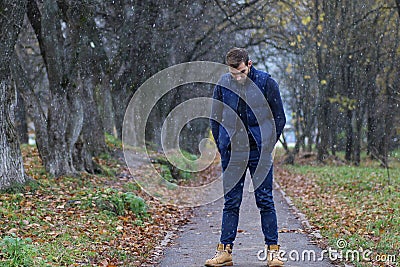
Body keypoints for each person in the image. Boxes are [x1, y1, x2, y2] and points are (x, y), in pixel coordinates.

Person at [206, 47, 286, 267]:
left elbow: (279, 117)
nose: (238, 77)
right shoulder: (223, 84)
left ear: (249, 64)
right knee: (231, 202)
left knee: (265, 201)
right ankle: (225, 251)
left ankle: (273, 251)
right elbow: (215, 118)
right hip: (233, 152)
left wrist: (268, 145)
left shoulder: (266, 83)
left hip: (259, 151)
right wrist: (222, 145)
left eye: (241, 71)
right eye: (234, 74)